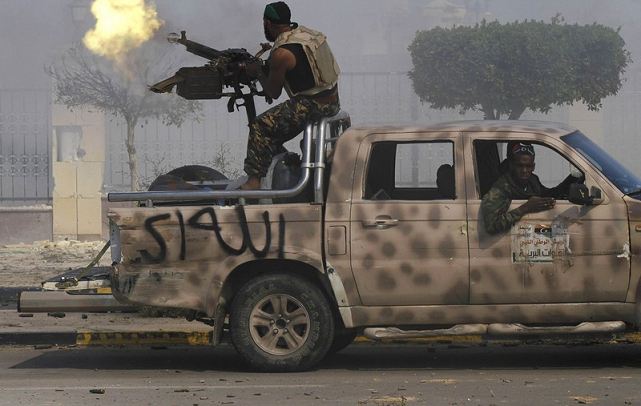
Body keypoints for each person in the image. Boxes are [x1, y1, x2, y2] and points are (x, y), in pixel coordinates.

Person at [239, 1, 341, 190]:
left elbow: (273, 92)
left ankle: (253, 182)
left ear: (267, 23)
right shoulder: (308, 34)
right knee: (275, 126)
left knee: (261, 126)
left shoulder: (281, 54)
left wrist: (257, 72)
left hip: (312, 105)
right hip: (333, 100)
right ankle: (290, 163)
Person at [481, 142, 581, 235]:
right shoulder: (501, 188)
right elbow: (491, 226)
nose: (524, 171)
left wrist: (573, 177)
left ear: (533, 167)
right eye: (520, 166)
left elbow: (549, 195)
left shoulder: (532, 180)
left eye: (528, 166)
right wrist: (525, 208)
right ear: (511, 165)